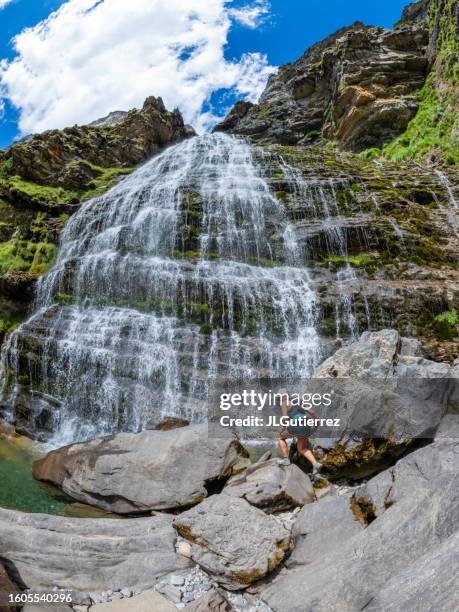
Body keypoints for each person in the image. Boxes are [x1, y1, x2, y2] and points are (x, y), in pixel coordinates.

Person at [276, 391, 323, 476]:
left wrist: (285, 429)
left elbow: (285, 418)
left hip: (297, 423)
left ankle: (286, 459)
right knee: (301, 449)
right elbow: (311, 412)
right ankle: (316, 464)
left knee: (280, 438)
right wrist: (317, 423)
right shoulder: (299, 401)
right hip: (307, 423)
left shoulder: (284, 402)